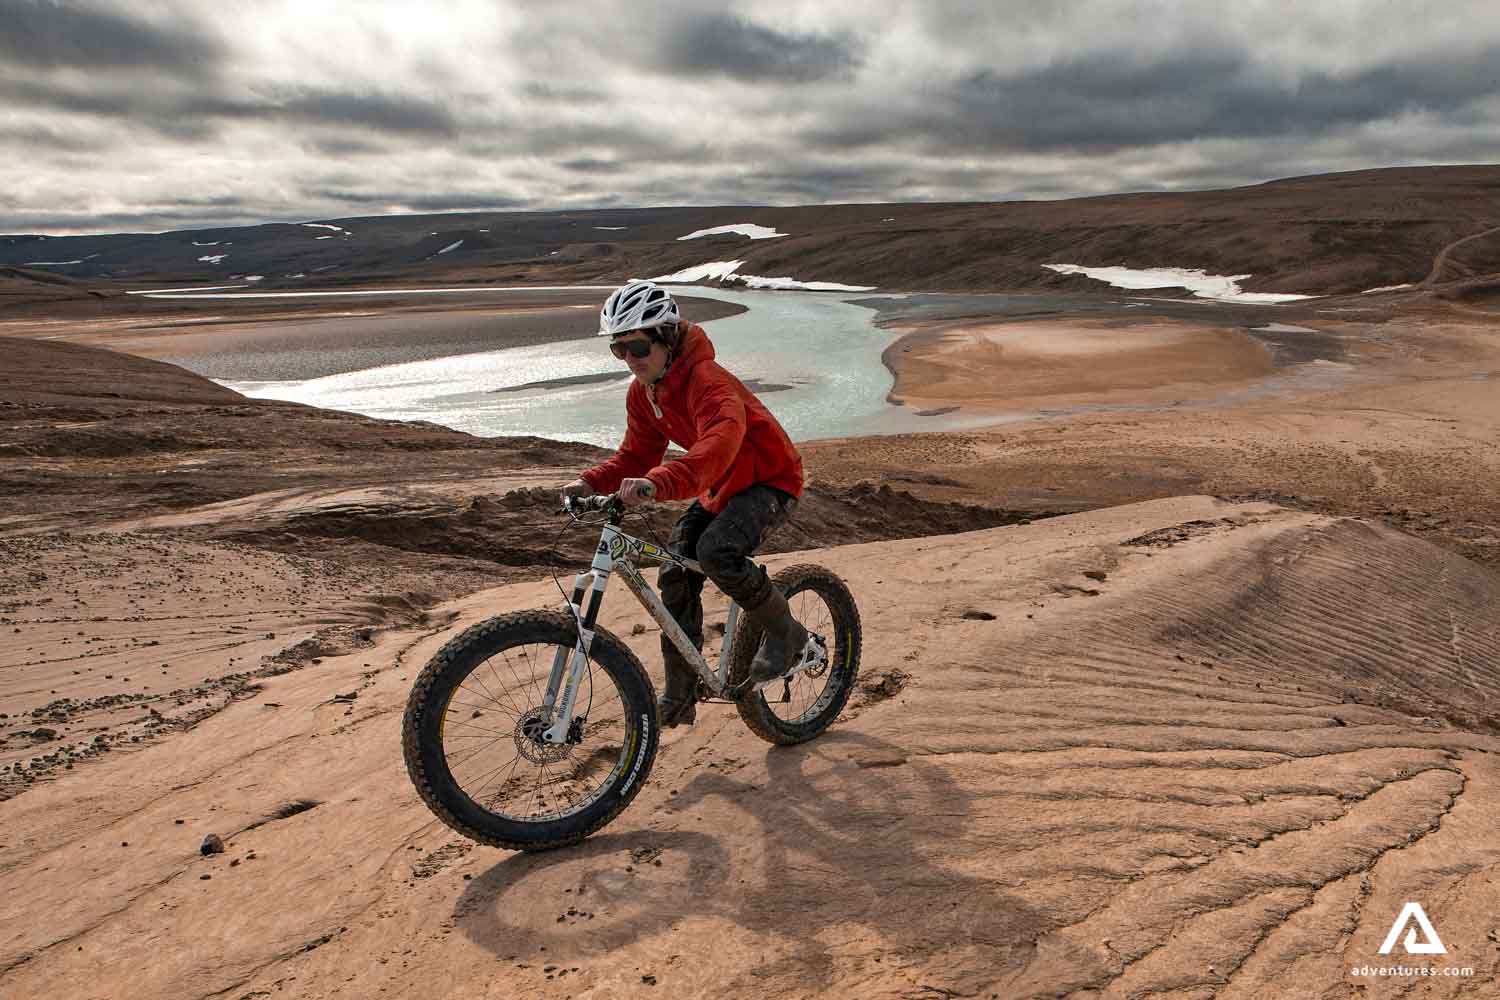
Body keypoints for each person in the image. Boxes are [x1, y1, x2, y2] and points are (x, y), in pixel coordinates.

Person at [562, 279, 806, 727]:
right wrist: (589, 483)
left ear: (667, 337)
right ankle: (680, 695)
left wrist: (659, 483)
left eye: (637, 347)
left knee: (717, 552)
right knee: (675, 571)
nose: (631, 361)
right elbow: (636, 453)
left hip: (770, 480)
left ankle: (785, 631)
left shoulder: (710, 383)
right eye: (620, 351)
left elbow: (715, 448)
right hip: (720, 487)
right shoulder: (646, 391)